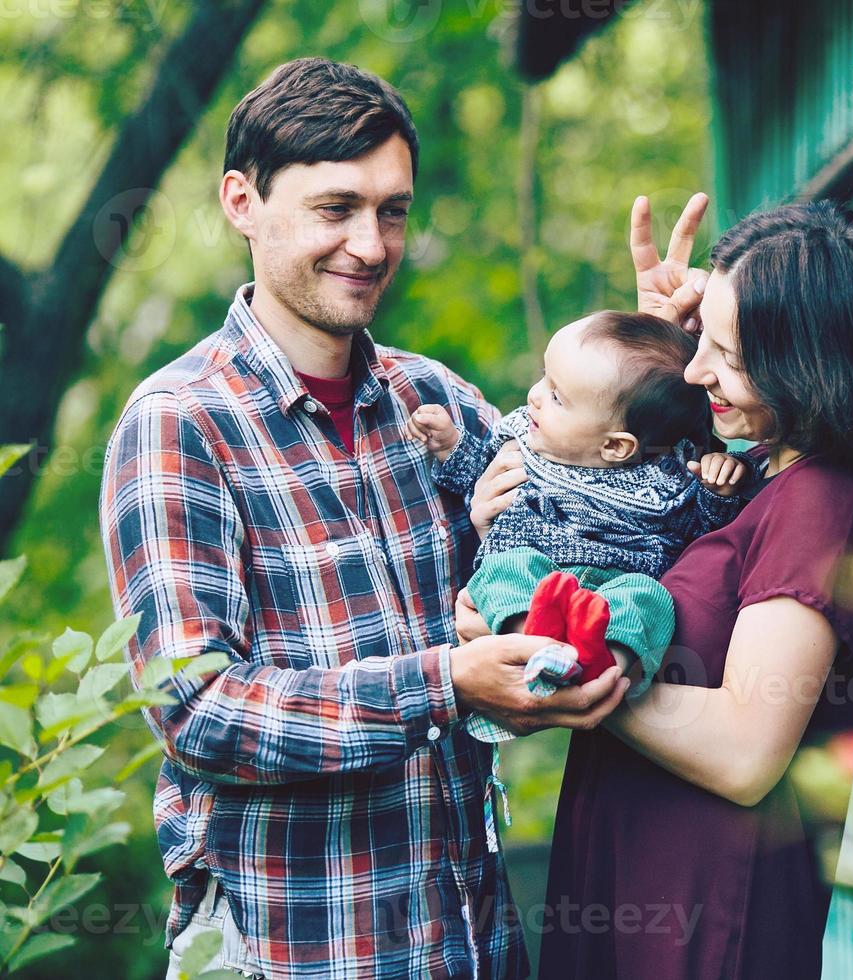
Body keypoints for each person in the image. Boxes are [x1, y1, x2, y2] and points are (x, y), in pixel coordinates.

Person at [99, 58, 632, 980]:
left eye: (392, 210)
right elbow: (200, 709)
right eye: (335, 208)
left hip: (471, 944)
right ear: (241, 202)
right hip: (297, 953)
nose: (373, 243)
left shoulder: (433, 399)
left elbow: (594, 524)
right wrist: (447, 684)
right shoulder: (177, 424)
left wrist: (657, 382)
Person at [458, 198, 853, 978]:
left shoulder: (824, 500)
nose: (697, 370)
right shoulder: (762, 470)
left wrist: (566, 667)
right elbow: (634, 503)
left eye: (727, 354)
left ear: (808, 364)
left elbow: (742, 750)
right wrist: (655, 361)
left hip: (704, 921)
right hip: (652, 890)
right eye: (702, 342)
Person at [409, 309, 754, 736]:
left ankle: (602, 663)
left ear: (615, 446)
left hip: (612, 590)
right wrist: (450, 448)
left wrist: (717, 493)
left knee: (649, 598)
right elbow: (479, 475)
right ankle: (533, 644)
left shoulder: (673, 476)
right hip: (536, 572)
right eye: (544, 378)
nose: (535, 396)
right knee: (503, 568)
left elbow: (698, 534)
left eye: (557, 397)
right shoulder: (522, 440)